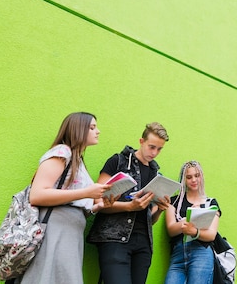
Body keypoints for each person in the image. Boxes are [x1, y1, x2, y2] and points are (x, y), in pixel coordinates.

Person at [18, 112, 114, 284]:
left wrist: (97, 206)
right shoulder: (63, 152)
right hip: (56, 228)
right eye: (92, 127)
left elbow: (72, 202)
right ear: (78, 130)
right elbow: (37, 194)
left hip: (69, 231)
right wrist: (86, 193)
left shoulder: (78, 160)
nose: (98, 131)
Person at [88, 122, 171, 284]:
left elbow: (150, 219)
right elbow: (97, 201)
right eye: (151, 147)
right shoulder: (118, 161)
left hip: (143, 244)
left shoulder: (156, 174)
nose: (154, 153)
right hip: (114, 239)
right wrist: (129, 206)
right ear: (141, 141)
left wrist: (160, 210)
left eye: (159, 149)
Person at [164, 160, 221, 284]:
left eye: (197, 175)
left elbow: (211, 235)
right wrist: (186, 222)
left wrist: (194, 231)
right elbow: (171, 229)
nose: (194, 180)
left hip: (201, 253)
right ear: (183, 180)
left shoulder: (210, 203)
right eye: (189, 177)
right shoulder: (173, 201)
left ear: (202, 177)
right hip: (178, 254)